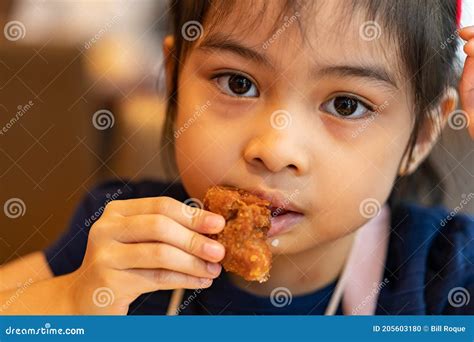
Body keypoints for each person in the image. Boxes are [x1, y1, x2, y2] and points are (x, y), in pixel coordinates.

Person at [1, 0, 473, 315]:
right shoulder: (121, 239)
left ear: (421, 136)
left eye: (346, 105)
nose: (274, 149)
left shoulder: (442, 272)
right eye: (237, 83)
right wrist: (70, 302)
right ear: (173, 78)